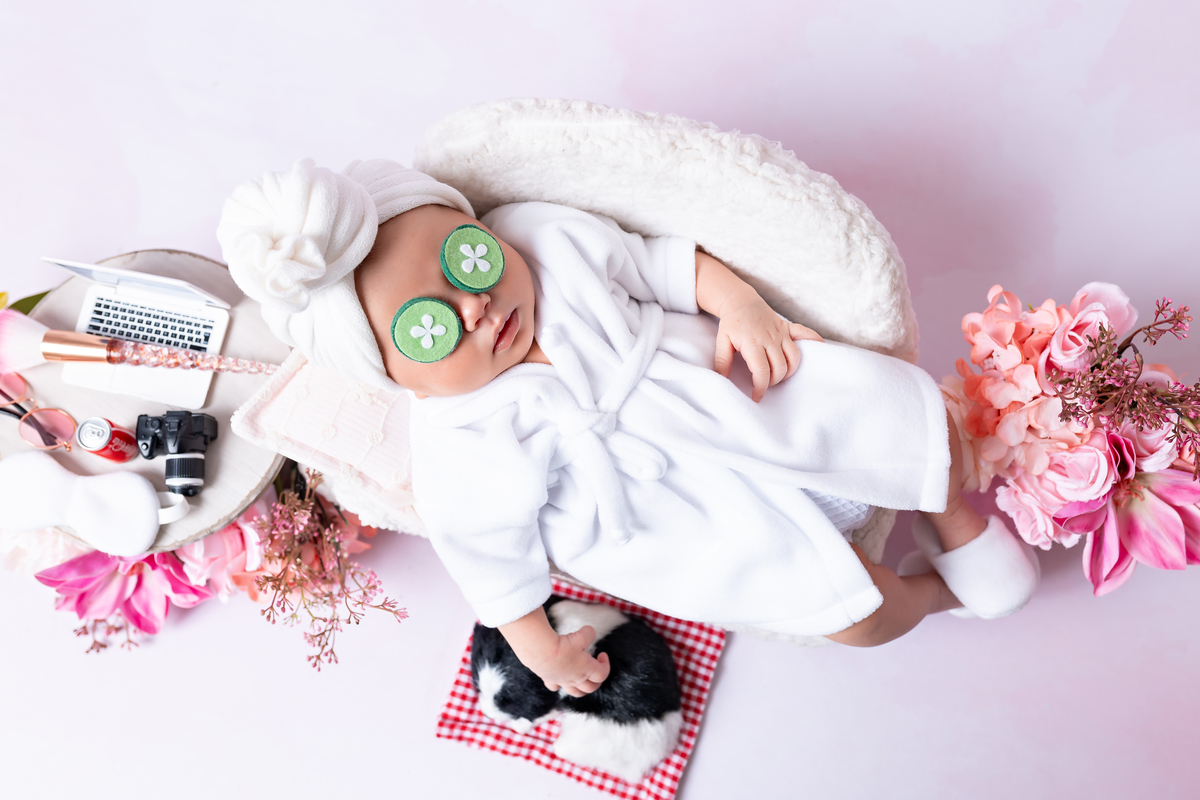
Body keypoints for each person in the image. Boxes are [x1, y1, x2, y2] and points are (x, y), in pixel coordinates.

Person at [218, 158, 1039, 698]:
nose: (475, 307)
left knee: (906, 425)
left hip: (727, 395)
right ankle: (930, 595)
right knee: (851, 618)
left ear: (483, 231)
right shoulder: (455, 442)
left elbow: (659, 265)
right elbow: (490, 561)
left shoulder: (544, 240)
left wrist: (740, 305)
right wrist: (542, 651)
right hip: (671, 515)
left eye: (468, 261)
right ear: (400, 379)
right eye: (429, 329)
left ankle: (956, 525)